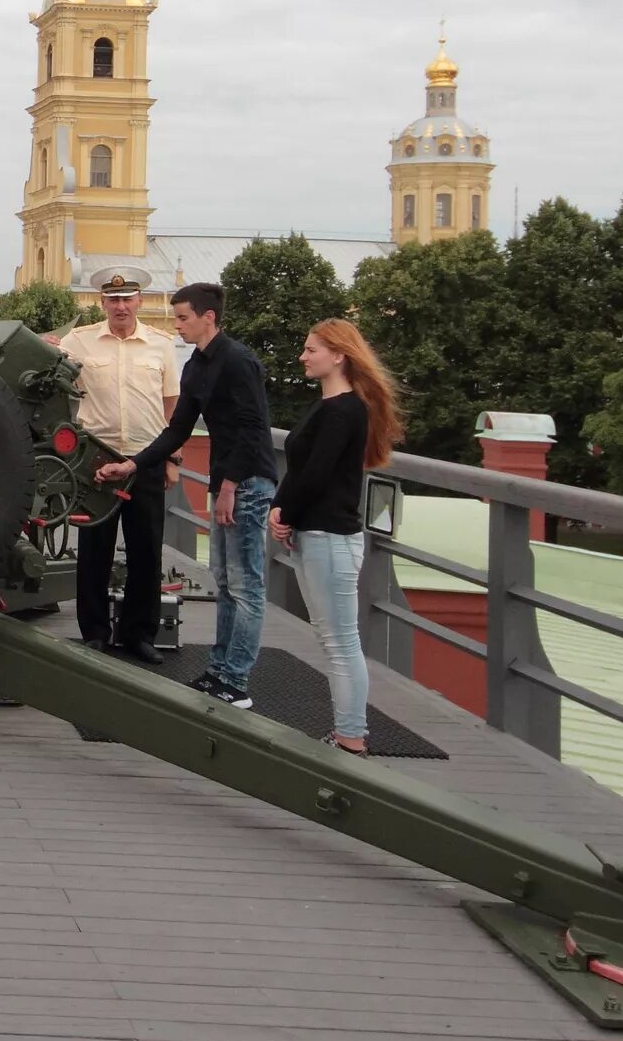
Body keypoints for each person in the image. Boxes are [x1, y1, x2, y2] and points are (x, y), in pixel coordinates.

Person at [99, 280, 276, 708]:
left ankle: (236, 681)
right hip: (227, 482)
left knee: (245, 585)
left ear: (208, 317)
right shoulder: (196, 364)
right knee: (224, 581)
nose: (177, 326)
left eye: (183, 318)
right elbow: (177, 430)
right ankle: (219, 671)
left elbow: (254, 430)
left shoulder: (237, 360)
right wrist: (134, 464)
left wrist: (230, 486)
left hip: (247, 482)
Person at [266, 318, 401, 755]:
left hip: (331, 538)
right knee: (333, 639)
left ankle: (351, 738)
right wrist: (280, 511)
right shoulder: (329, 406)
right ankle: (347, 733)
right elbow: (301, 468)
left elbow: (319, 475)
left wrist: (287, 514)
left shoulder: (345, 410)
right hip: (314, 534)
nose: (303, 357)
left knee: (341, 643)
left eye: (311, 350)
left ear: (338, 355)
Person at [56, 263, 180, 664]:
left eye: (127, 298)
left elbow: (171, 406)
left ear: (140, 301)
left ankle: (138, 634)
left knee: (147, 550)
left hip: (146, 457)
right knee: (95, 548)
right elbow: (54, 377)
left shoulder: (161, 344)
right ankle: (94, 633)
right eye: (113, 299)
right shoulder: (80, 341)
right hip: (96, 458)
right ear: (102, 303)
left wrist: (173, 459)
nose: (120, 306)